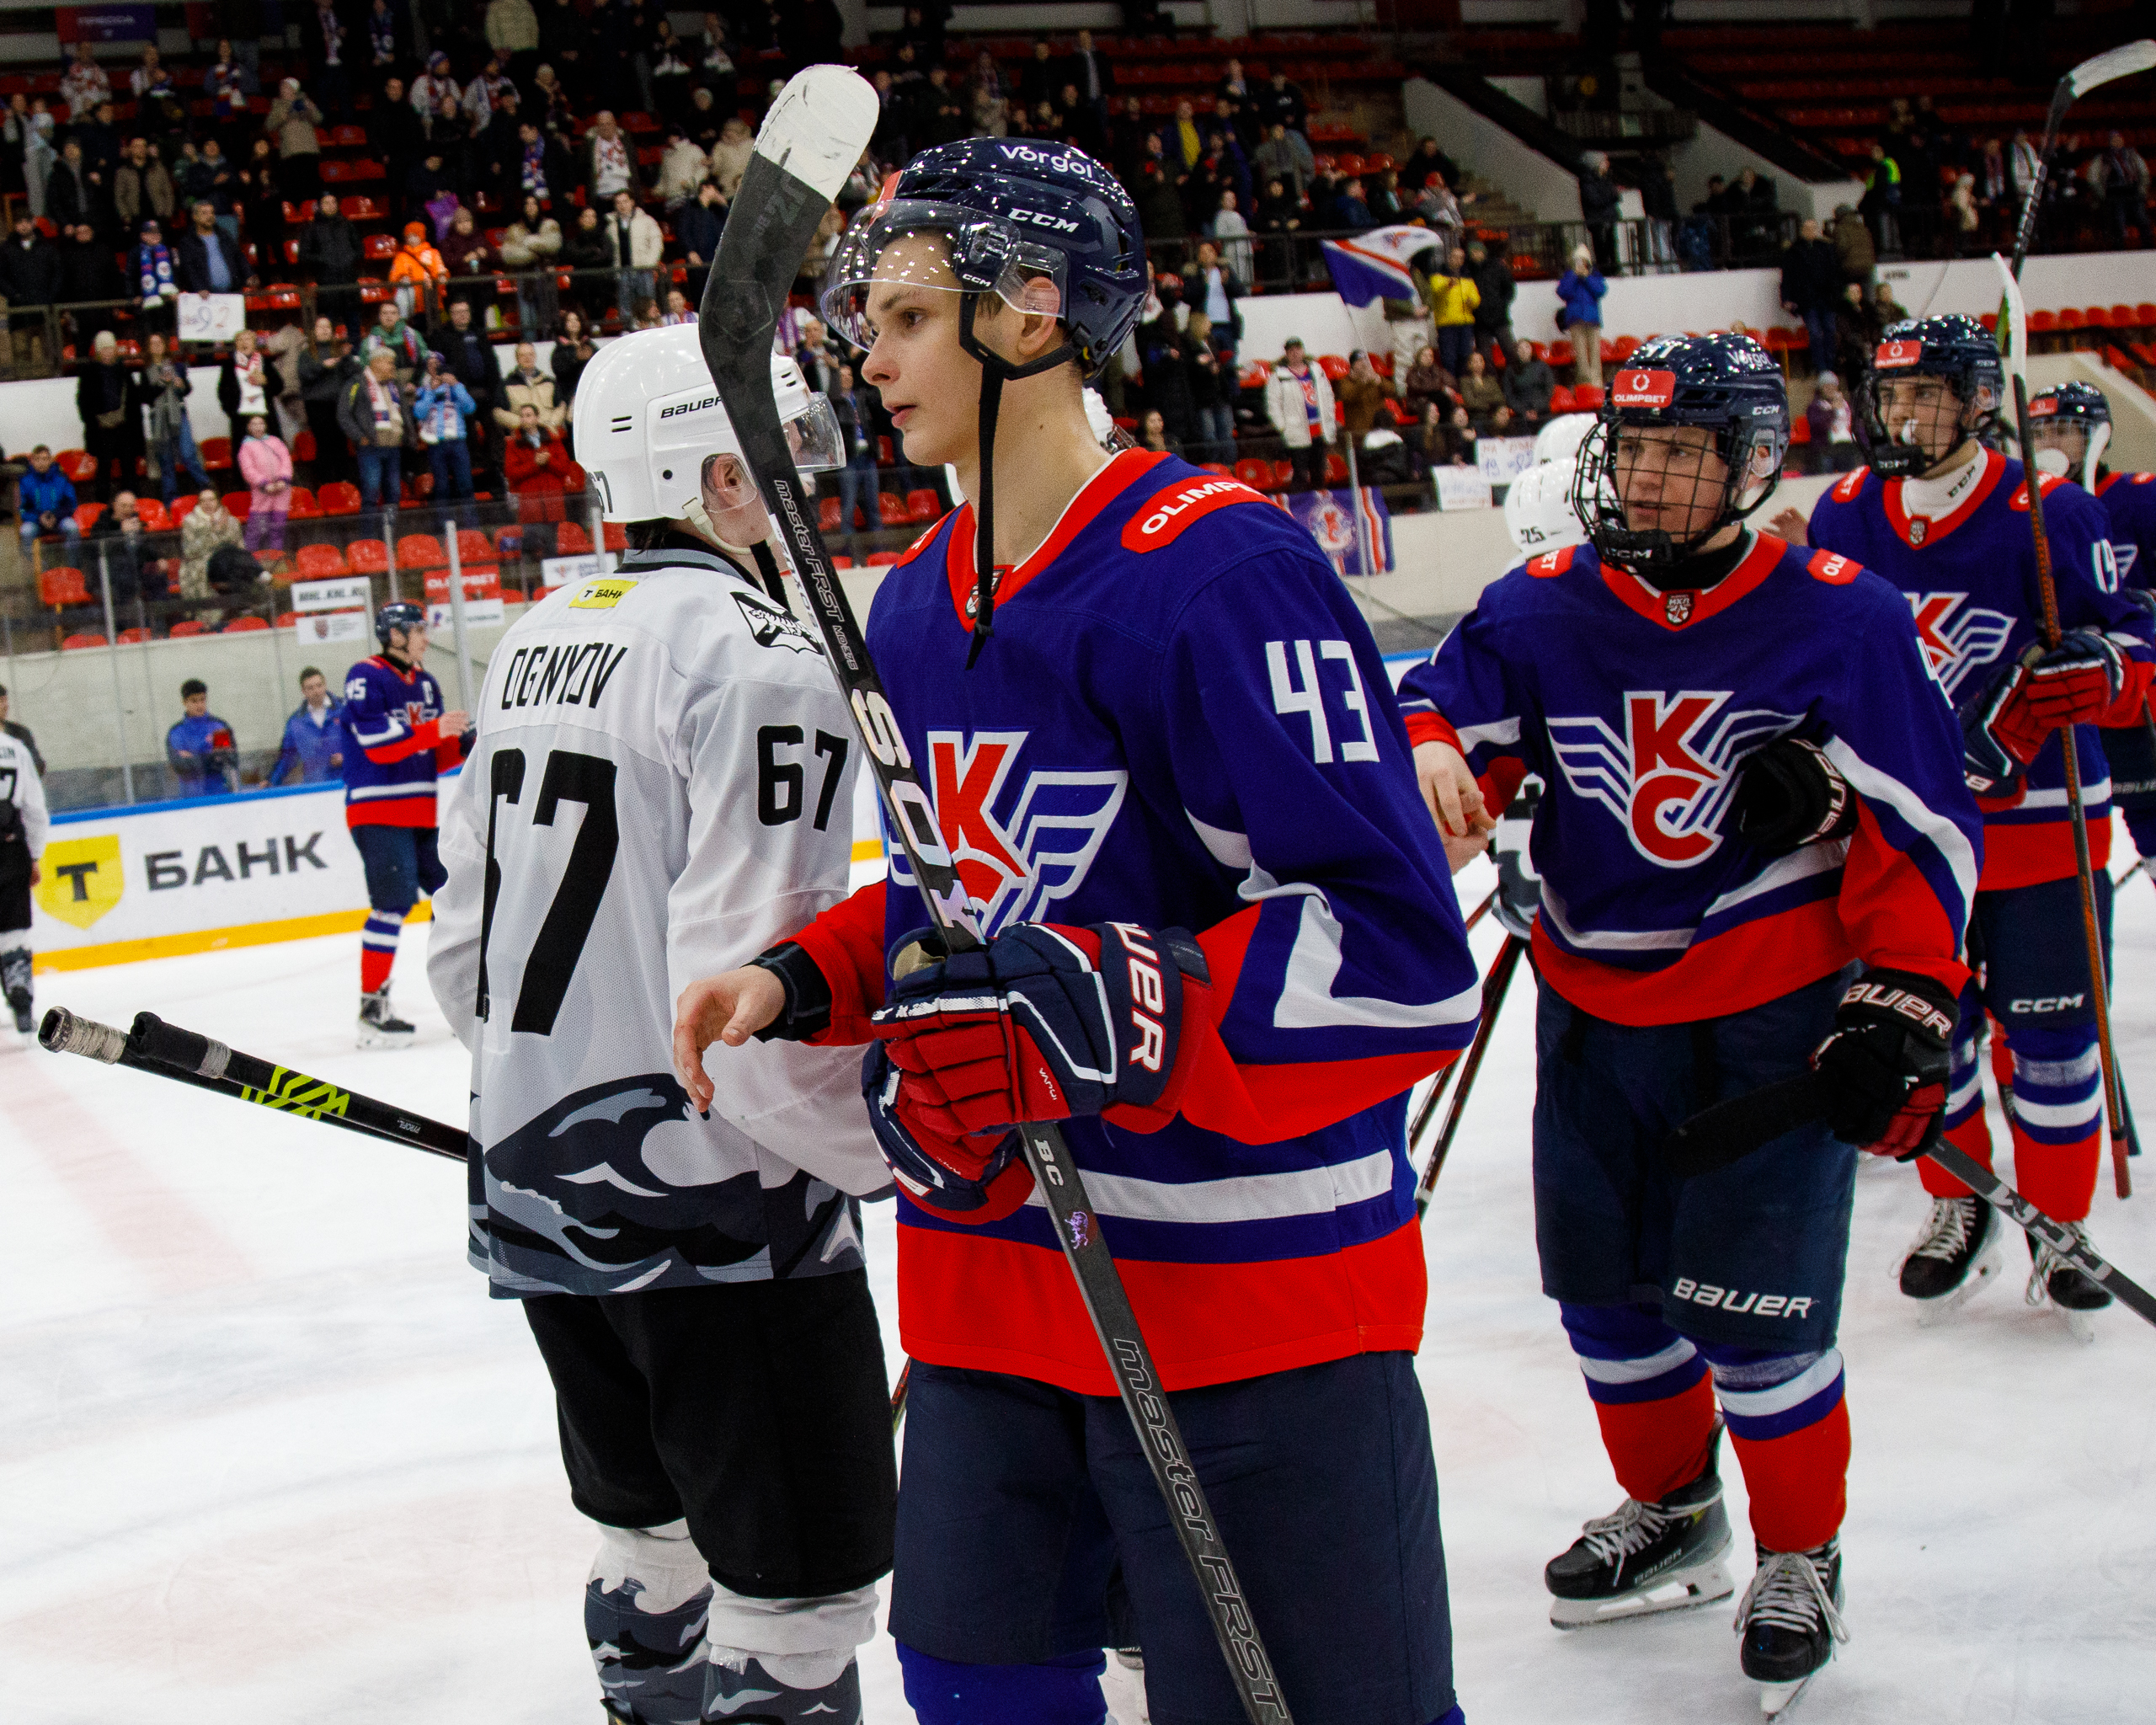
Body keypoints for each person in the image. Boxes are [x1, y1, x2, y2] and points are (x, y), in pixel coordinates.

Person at [672, 133, 1476, 1725]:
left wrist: (1134, 1002)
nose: (870, 361)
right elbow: (968, 895)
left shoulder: (1223, 570)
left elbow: (1401, 955)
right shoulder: (915, 596)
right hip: (992, 1268)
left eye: (909, 318)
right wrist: (810, 975)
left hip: (1243, 1298)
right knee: (973, 1685)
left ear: (1032, 310)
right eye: (869, 323)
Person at [1401, 331, 1981, 1711]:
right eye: (1635, 447)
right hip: (1594, 1011)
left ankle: (1801, 1551)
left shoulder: (1841, 616)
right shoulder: (1541, 605)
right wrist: (1431, 750)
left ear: (1751, 462)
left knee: (1760, 1317)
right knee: (1606, 1297)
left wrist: (1904, 996)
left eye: (1680, 452)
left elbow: (1923, 819)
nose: (1647, 477)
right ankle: (1673, 1507)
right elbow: (1440, 705)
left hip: (1767, 1018)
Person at [424, 328, 894, 1724]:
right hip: (723, 1208)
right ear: (718, 476)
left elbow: (461, 954)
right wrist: (883, 1154)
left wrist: (557, 1093)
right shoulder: (766, 658)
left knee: (647, 1532)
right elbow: (752, 995)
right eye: (779, 452)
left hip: (544, 1195)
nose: (802, 478)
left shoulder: (532, 639)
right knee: (795, 1598)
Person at [1772, 316, 2153, 1328]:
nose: (1902, 414)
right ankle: (1961, 1204)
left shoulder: (2051, 511)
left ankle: (2059, 1224)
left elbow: (2133, 644)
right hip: (1906, 838)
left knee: (2055, 1039)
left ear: (1979, 400)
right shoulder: (1845, 510)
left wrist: (2102, 672)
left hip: (2038, 829)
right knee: (1925, 1034)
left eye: (1925, 394)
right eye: (1891, 394)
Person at [2025, 382, 2156, 875]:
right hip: (2071, 700)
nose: (2050, 443)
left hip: (2140, 694)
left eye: (2063, 429)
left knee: (2150, 815)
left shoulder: (2141, 496)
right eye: (2040, 432)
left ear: (2098, 435)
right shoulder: (2029, 509)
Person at [339, 603, 472, 1043]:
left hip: (420, 814)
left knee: (453, 898)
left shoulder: (426, 684)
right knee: (392, 905)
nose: (425, 639)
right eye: (417, 630)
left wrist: (467, 745)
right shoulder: (366, 676)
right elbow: (378, 745)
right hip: (377, 812)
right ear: (394, 634)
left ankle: (462, 998)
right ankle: (371, 1011)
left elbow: (430, 757)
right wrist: (435, 732)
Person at [0, 692, 45, 1033]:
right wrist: (35, 854)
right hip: (10, 848)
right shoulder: (15, 749)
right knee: (14, 932)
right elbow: (34, 809)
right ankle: (21, 997)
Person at [133, 332, 212, 502]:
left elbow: (187, 390)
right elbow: (145, 398)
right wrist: (162, 383)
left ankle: (207, 488)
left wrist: (182, 385)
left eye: (159, 342)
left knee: (188, 453)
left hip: (179, 414)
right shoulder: (145, 372)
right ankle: (171, 501)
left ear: (165, 346)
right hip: (158, 418)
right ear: (148, 348)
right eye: (153, 343)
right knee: (166, 460)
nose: (156, 346)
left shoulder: (178, 367)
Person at [339, 348, 414, 510]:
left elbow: (405, 413)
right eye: (390, 363)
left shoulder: (395, 385)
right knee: (371, 493)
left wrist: (407, 436)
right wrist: (360, 437)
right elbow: (343, 415)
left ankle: (390, 527)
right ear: (376, 363)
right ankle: (369, 528)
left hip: (393, 447)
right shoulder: (357, 383)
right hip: (371, 447)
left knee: (394, 493)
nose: (393, 367)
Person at [1265, 334, 1337, 492]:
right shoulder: (1279, 376)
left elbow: (1328, 395)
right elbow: (1273, 404)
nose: (1295, 353)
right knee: (1300, 474)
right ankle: (1300, 504)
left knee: (1319, 473)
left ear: (1303, 351)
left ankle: (1319, 502)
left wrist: (1329, 419)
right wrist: (1283, 427)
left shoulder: (1317, 371)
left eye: (1297, 349)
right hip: (1296, 432)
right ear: (1286, 353)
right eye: (1291, 350)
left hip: (1319, 430)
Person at [76, 331, 138, 501]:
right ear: (98, 351)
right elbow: (83, 402)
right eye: (104, 349)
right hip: (101, 430)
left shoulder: (124, 371)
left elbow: (133, 401)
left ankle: (131, 504)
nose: (108, 352)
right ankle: (102, 505)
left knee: (129, 469)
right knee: (103, 470)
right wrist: (93, 422)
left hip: (124, 428)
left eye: (111, 348)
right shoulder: (89, 372)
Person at [1780, 218, 1842, 375]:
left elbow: (1835, 274)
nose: (1810, 231)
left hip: (1826, 298)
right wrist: (1786, 298)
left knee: (1830, 330)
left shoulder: (1826, 249)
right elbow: (1787, 277)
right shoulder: (1794, 251)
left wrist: (1837, 295)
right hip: (1807, 300)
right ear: (1802, 231)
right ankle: (1821, 367)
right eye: (1807, 228)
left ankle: (1831, 365)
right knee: (1815, 333)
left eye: (1813, 228)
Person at [414, 350, 476, 500]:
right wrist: (431, 392)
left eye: (437, 364)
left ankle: (470, 515)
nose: (434, 368)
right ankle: (443, 516)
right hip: (436, 444)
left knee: (466, 484)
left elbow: (470, 408)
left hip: (457, 441)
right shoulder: (423, 390)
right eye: (430, 365)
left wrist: (456, 385)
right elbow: (418, 413)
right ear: (426, 369)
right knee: (441, 487)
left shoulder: (455, 387)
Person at [267, 666, 345, 786]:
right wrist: (271, 781)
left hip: (346, 782)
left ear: (325, 685)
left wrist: (347, 758)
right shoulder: (296, 721)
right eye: (310, 688)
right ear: (303, 691)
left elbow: (361, 742)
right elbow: (287, 757)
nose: (316, 691)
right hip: (315, 787)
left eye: (319, 685)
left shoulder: (344, 710)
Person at [166, 678, 240, 798]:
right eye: (194, 701)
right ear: (184, 702)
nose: (200, 705)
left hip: (220, 795)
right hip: (191, 799)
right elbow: (182, 767)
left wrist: (194, 757)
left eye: (202, 699)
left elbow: (228, 761)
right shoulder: (177, 732)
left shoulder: (218, 727)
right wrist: (211, 755)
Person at [176, 484, 243, 614]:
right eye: (203, 500)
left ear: (218, 501)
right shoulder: (190, 521)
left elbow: (239, 547)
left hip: (227, 561)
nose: (207, 504)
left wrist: (223, 529)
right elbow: (189, 551)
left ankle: (245, 609)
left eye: (211, 500)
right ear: (199, 503)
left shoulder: (231, 521)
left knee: (242, 563)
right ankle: (214, 617)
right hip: (202, 562)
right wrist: (210, 530)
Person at [606, 186, 662, 328]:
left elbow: (657, 242)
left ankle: (651, 330)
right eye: (618, 202)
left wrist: (650, 263)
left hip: (643, 270)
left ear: (632, 202)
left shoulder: (647, 221)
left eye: (625, 201)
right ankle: (630, 331)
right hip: (623, 271)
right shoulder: (611, 225)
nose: (622, 205)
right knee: (626, 309)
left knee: (647, 305)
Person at [1423, 244, 1481, 382]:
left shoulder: (1467, 277)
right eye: (1455, 257)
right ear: (1449, 258)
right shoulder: (1438, 274)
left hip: (1465, 323)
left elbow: (1476, 298)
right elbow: (1435, 291)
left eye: (1461, 258)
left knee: (1465, 356)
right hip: (1446, 324)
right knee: (1449, 358)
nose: (1457, 260)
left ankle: (1463, 385)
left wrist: (1472, 301)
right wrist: (1447, 286)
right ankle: (1451, 385)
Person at [237, 413, 291, 553]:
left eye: (261, 423)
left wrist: (283, 479)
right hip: (262, 492)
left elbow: (286, 460)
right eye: (254, 424)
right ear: (249, 427)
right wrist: (263, 483)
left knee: (278, 528)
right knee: (258, 528)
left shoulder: (276, 442)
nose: (258, 427)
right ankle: (250, 557)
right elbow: (248, 470)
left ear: (265, 425)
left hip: (281, 491)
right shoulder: (246, 447)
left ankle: (276, 556)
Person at [1556, 244, 1608, 387]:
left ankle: (1596, 383)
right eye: (1578, 260)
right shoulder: (1569, 276)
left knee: (1595, 354)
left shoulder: (1594, 275)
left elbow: (1600, 291)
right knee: (1581, 356)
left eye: (1583, 260)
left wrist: (1586, 278)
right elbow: (1563, 292)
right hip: (1575, 320)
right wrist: (1574, 276)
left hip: (1592, 320)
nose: (1580, 263)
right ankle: (1585, 383)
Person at [217, 326, 271, 450]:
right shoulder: (229, 365)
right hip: (241, 419)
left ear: (254, 344)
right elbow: (222, 393)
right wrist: (232, 412)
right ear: (236, 344)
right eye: (240, 340)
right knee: (243, 454)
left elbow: (279, 386)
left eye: (248, 339)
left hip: (264, 417)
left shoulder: (264, 362)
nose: (244, 343)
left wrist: (265, 381)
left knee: (267, 453)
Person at [1466, 237, 1516, 367]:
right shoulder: (1467, 271)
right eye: (1473, 252)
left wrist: (1502, 305)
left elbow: (1509, 289)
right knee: (1485, 358)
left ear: (1483, 252)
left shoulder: (1498, 267)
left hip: (1500, 319)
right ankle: (1491, 380)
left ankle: (1514, 378)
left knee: (1511, 352)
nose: (1475, 254)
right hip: (1480, 321)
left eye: (1478, 251)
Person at [17, 445, 78, 549]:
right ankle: (33, 560)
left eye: (45, 459)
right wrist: (39, 518)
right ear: (32, 461)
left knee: (72, 528)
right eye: (37, 459)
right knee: (25, 531)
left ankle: (72, 560)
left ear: (51, 460)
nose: (41, 463)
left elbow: (71, 504)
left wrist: (56, 516)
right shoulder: (24, 481)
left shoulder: (62, 479)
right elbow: (22, 509)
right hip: (36, 522)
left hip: (59, 520)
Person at [1804, 371, 1860, 473]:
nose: (1830, 389)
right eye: (1826, 386)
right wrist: (1833, 410)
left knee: (1848, 475)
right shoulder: (1815, 406)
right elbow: (1818, 425)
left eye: (1833, 386)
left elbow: (1852, 422)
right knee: (1826, 477)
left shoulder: (1844, 404)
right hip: (1824, 449)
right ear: (1821, 388)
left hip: (1844, 446)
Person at [552, 306, 597, 409]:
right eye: (569, 321)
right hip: (568, 393)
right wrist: (576, 360)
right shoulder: (561, 348)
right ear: (565, 325)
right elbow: (560, 370)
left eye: (576, 320)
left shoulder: (589, 345)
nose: (574, 323)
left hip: (588, 390)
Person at [1503, 336, 1555, 425]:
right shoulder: (1510, 371)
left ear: (1532, 349)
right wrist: (1523, 411)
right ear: (1516, 352)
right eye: (1520, 348)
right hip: (1521, 413)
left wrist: (1537, 408)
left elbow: (1549, 389)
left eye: (1527, 347)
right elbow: (1509, 395)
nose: (1524, 351)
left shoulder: (1543, 367)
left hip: (1542, 410)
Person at [1457, 349, 1503, 426]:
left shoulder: (1491, 379)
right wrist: (1489, 404)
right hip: (1477, 414)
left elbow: (1499, 397)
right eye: (1475, 361)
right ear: (1469, 365)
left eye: (1480, 361)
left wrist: (1481, 399)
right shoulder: (1465, 381)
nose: (1478, 364)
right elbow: (1470, 401)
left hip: (1493, 412)